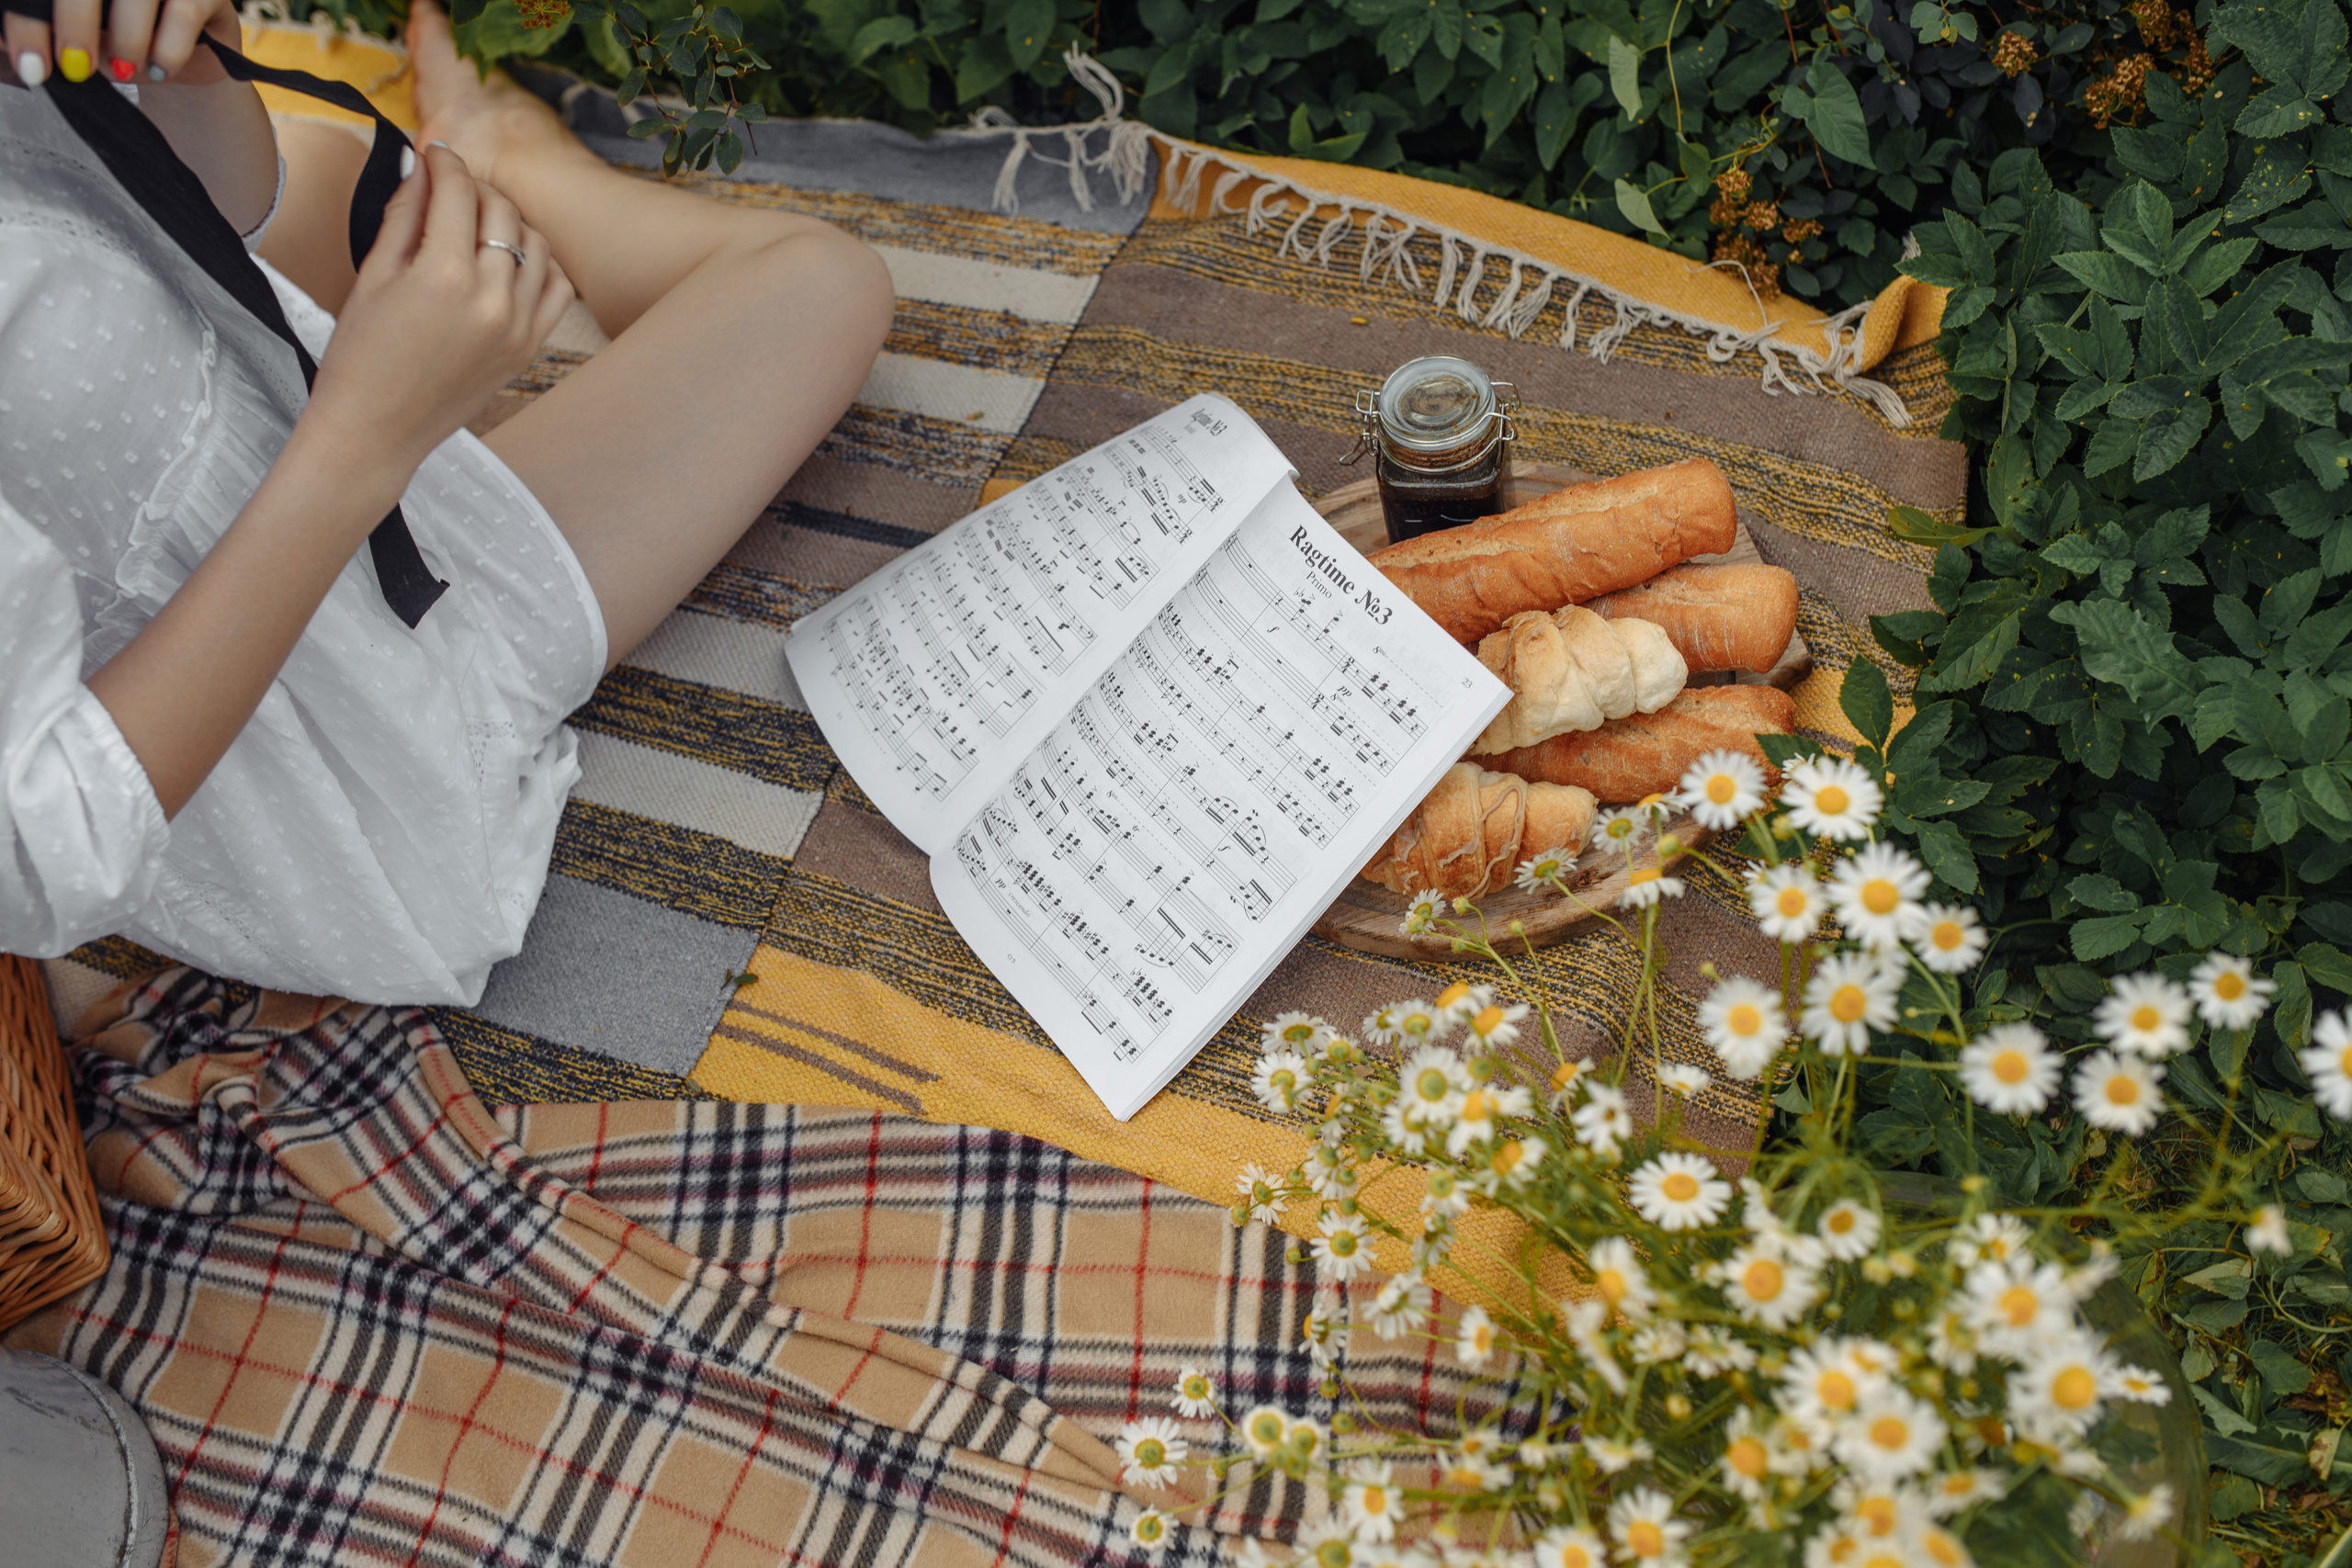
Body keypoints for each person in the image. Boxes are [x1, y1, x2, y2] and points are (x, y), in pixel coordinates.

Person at [0, 0, 895, 1001]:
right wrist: (364, 443)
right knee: (818, 283)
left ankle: (464, 163)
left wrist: (189, 84)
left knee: (340, 175)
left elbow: (199, 216)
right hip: (283, 703)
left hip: (168, 382)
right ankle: (512, 153)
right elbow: (39, 844)